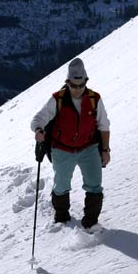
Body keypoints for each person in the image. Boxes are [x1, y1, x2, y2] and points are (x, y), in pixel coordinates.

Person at [30, 58, 111, 228]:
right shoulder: (57, 99)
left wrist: (105, 150)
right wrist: (38, 130)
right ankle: (61, 217)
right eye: (74, 86)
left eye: (81, 85)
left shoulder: (94, 98)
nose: (78, 89)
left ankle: (91, 222)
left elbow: (104, 126)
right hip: (62, 149)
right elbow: (39, 118)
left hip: (89, 148)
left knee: (95, 185)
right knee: (61, 185)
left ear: (85, 82)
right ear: (67, 82)